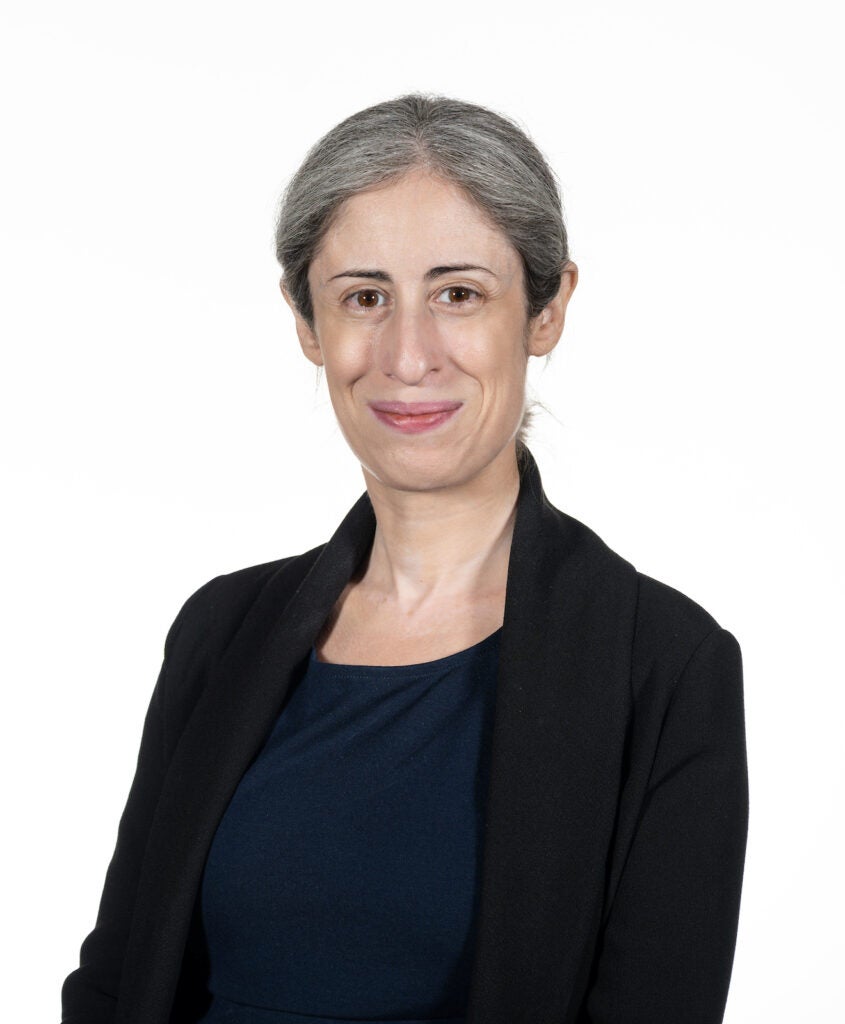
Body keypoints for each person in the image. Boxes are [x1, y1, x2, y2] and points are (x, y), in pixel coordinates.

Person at [61, 93, 749, 1024]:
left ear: (545, 311)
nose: (407, 354)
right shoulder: (221, 632)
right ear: (307, 322)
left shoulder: (662, 666)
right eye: (364, 297)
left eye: (457, 294)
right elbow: (116, 983)